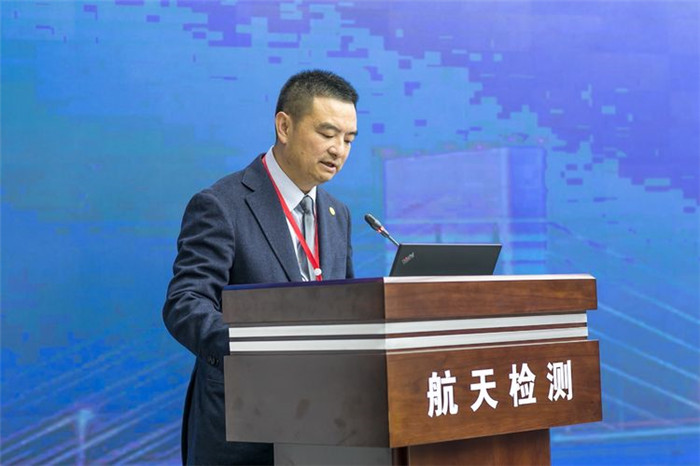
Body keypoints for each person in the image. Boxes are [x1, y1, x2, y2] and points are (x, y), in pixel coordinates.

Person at [162, 70, 358, 465]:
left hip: (323, 425)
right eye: (327, 133)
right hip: (243, 430)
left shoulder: (337, 214)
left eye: (349, 139)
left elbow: (350, 306)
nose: (338, 150)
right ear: (284, 126)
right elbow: (185, 303)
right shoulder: (222, 205)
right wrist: (265, 348)